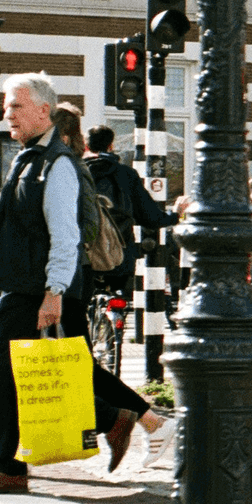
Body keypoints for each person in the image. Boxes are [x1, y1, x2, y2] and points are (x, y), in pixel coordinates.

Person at [0, 75, 129, 494]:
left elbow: (66, 234)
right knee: (18, 377)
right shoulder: (29, 158)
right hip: (21, 283)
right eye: (6, 106)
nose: (7, 114)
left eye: (16, 106)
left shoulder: (57, 164)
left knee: (0, 374)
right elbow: (29, 220)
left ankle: (10, 467)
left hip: (34, 289)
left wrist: (54, 292)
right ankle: (109, 418)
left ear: (43, 111)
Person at [50, 108, 171, 469]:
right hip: (114, 261)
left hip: (71, 276)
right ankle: (141, 421)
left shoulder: (72, 170)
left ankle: (144, 421)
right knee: (77, 361)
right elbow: (150, 215)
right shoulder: (122, 172)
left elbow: (75, 230)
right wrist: (170, 219)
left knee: (76, 362)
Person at [85, 125, 171, 292]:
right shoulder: (126, 174)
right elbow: (150, 217)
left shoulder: (76, 172)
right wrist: (175, 215)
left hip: (84, 258)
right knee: (118, 293)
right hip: (120, 257)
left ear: (86, 146)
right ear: (111, 146)